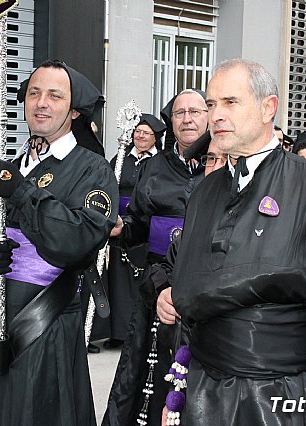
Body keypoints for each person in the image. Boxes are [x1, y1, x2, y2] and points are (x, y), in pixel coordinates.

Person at [163, 59, 306, 425]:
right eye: (212, 104)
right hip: (204, 392)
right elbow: (191, 295)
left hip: (281, 396)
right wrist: (179, 389)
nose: (216, 116)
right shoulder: (204, 191)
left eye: (230, 102)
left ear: (268, 108)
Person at [0, 60, 118, 426]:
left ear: (73, 111)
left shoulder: (92, 170)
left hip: (45, 327)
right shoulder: (1, 170)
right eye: (34, 93)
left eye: (55, 95)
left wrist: (22, 193)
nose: (41, 102)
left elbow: (78, 240)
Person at [103, 89, 208, 425]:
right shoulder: (156, 166)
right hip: (157, 283)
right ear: (170, 121)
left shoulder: (222, 162)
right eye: (180, 113)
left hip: (208, 286)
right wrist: (122, 227)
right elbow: (139, 222)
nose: (187, 118)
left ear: (208, 116)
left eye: (195, 111)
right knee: (147, 369)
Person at [103, 113, 166, 350]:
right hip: (120, 226)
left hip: (146, 226)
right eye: (137, 132)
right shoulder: (120, 158)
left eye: (145, 133)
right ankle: (118, 332)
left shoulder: (160, 162)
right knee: (118, 281)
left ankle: (138, 331)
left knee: (141, 280)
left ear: (155, 138)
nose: (140, 136)